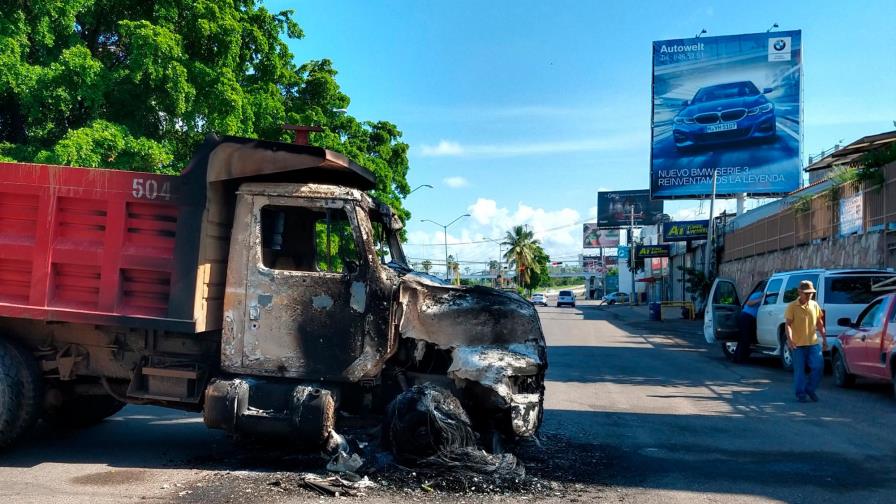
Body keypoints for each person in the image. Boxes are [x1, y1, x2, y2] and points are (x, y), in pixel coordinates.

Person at [784, 280, 827, 402]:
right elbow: (788, 325)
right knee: (800, 371)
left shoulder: (814, 305)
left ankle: (810, 388)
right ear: (800, 292)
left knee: (818, 367)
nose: (809, 295)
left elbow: (819, 323)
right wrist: (790, 340)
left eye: (811, 293)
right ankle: (801, 393)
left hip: (813, 343)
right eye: (807, 293)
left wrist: (824, 339)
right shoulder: (792, 306)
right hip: (798, 345)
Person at [733, 287, 763, 363]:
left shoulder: (758, 294)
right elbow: (749, 303)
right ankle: (739, 359)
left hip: (748, 317)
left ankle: (737, 358)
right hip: (746, 317)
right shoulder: (758, 295)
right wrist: (760, 299)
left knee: (744, 339)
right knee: (744, 339)